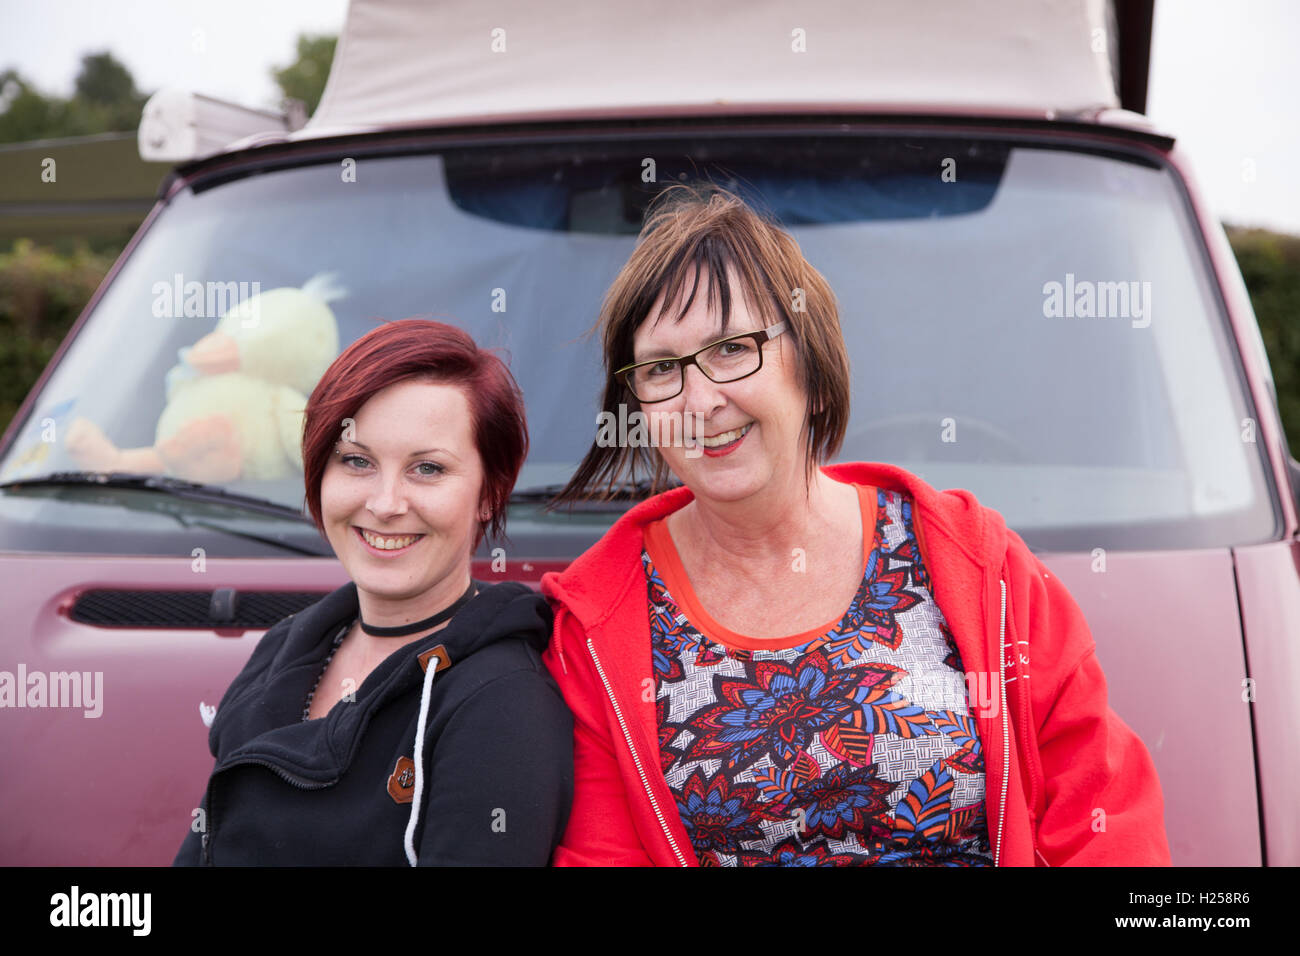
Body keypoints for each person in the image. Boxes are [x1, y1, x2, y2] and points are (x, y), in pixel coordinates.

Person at [542, 183, 1170, 866]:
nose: (700, 399)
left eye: (732, 349)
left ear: (810, 371)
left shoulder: (972, 561)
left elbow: (1103, 817)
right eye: (663, 368)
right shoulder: (596, 629)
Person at [174, 319, 572, 865]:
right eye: (356, 461)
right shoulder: (286, 646)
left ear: (490, 492)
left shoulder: (501, 705)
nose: (385, 503)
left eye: (427, 469)